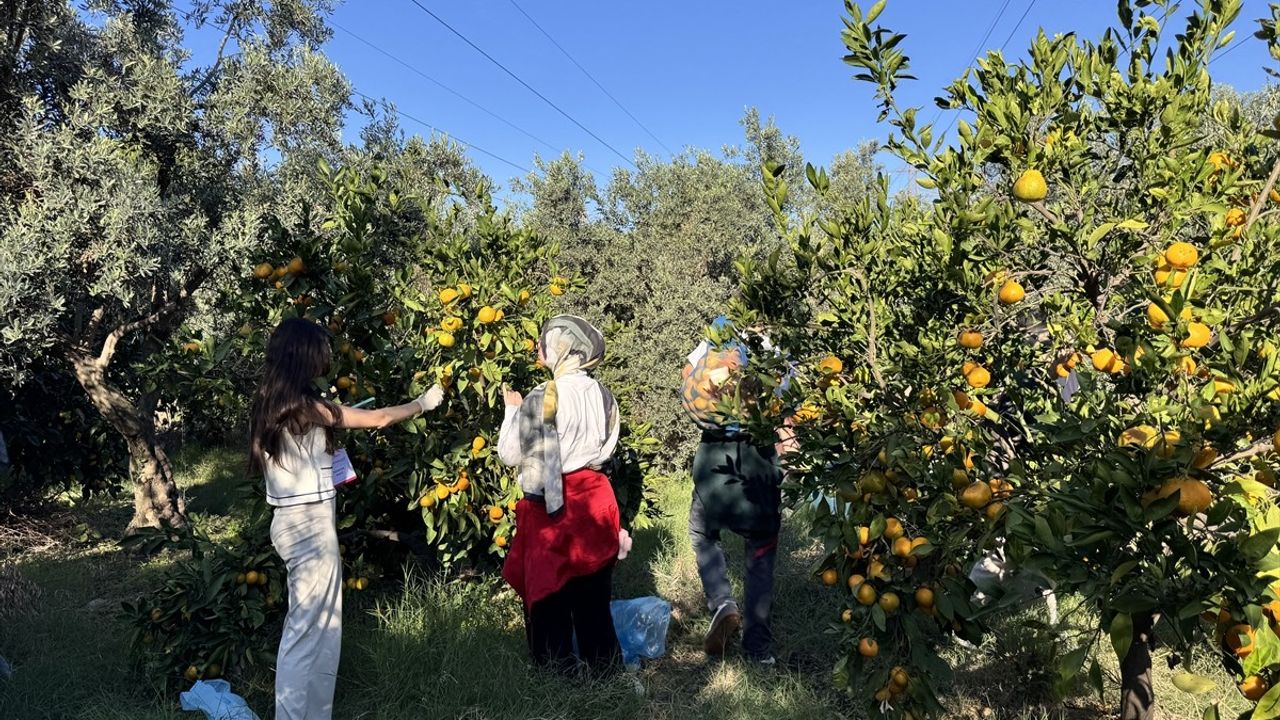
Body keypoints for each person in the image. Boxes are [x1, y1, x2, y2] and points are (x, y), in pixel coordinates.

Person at [249, 317, 443, 720]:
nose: (326, 359)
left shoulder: (273, 400)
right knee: (308, 631)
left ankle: (314, 714)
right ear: (303, 355)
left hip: (296, 522)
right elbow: (379, 419)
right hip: (308, 527)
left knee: (322, 627)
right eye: (320, 352)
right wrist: (423, 403)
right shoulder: (304, 406)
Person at [498, 315, 624, 676]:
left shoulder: (544, 396)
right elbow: (604, 451)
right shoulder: (603, 395)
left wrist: (511, 411)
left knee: (549, 596)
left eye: (545, 342)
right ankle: (604, 671)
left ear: (561, 348)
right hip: (596, 500)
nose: (540, 348)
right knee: (593, 596)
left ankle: (557, 676)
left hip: (553, 506)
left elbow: (510, 453)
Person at [681, 316, 792, 664]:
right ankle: (758, 649)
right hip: (759, 461)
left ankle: (722, 603)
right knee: (760, 550)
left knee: (702, 533)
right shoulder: (776, 348)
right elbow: (789, 414)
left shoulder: (721, 332)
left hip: (714, 459)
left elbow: (687, 375)